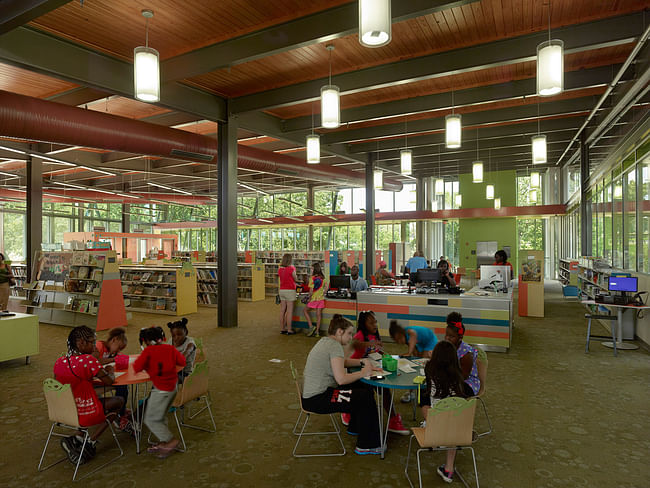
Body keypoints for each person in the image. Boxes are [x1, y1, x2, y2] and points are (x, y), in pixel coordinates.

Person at [302, 314, 382, 455]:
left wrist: (362, 362)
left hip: (315, 394)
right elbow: (341, 379)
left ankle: (355, 427)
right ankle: (367, 444)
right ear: (339, 332)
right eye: (349, 333)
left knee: (361, 387)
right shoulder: (335, 346)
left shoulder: (326, 341)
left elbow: (342, 362)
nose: (351, 338)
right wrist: (364, 372)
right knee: (364, 397)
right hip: (318, 399)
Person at [54, 326, 124, 465]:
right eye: (92, 342)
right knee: (119, 401)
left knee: (90, 395)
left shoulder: (59, 361)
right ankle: (90, 440)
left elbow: (58, 385)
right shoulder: (88, 360)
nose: (94, 346)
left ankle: (78, 438)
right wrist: (109, 370)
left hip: (62, 410)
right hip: (83, 410)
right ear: (80, 343)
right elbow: (109, 381)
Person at [345, 311, 409, 435]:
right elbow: (355, 343)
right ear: (364, 324)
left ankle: (393, 419)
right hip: (356, 370)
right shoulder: (360, 335)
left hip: (372, 370)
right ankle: (347, 412)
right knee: (363, 394)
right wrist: (369, 344)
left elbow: (376, 351)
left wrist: (384, 354)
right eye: (371, 322)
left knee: (385, 389)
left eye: (375, 322)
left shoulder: (374, 336)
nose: (375, 325)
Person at [420, 340, 469, 484]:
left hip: (437, 427)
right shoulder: (459, 377)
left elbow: (429, 370)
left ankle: (431, 432)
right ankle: (448, 468)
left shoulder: (430, 370)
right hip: (459, 430)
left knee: (424, 402)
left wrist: (430, 359)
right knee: (452, 421)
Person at [134, 326, 186, 459]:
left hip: (161, 390)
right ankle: (164, 442)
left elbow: (137, 367)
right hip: (173, 388)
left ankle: (170, 440)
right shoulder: (170, 348)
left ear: (145, 341)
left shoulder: (148, 352)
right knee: (160, 415)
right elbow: (182, 361)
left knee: (150, 419)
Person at [389, 320, 438, 403]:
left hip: (430, 340)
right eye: (397, 341)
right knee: (415, 365)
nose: (400, 342)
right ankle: (411, 392)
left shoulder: (410, 332)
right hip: (421, 343)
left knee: (424, 365)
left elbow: (411, 347)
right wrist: (411, 354)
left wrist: (409, 353)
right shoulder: (406, 338)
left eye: (400, 339)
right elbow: (414, 353)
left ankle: (426, 391)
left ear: (402, 333)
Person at [93, 327, 131, 432]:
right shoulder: (99, 346)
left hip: (101, 378)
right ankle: (119, 414)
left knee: (123, 386)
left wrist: (117, 357)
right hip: (94, 381)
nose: (118, 351)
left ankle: (120, 411)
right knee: (122, 386)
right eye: (118, 348)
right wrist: (113, 359)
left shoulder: (110, 351)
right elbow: (95, 361)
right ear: (113, 340)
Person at [444, 312, 481, 398]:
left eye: (451, 336)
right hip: (451, 379)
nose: (447, 338)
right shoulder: (447, 347)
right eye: (446, 335)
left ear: (460, 337)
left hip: (467, 383)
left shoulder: (466, 354)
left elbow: (463, 377)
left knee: (447, 392)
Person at [167, 317, 196, 382]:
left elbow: (187, 352)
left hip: (185, 374)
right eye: (173, 335)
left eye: (179, 334)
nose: (176, 337)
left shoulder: (190, 343)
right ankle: (153, 392)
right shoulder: (170, 341)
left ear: (185, 332)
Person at [304, 262, 328, 337]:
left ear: (315, 269)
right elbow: (327, 287)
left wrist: (308, 297)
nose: (310, 270)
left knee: (305, 310)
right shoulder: (323, 278)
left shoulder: (312, 278)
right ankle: (317, 332)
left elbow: (311, 291)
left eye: (311, 269)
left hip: (314, 299)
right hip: (321, 299)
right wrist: (324, 292)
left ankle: (311, 327)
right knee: (319, 315)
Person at [278, 253, 299, 335]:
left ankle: (282, 328)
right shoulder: (292, 268)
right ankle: (289, 329)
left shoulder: (280, 269)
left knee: (282, 310)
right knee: (289, 311)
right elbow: (295, 279)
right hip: (290, 290)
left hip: (282, 290)